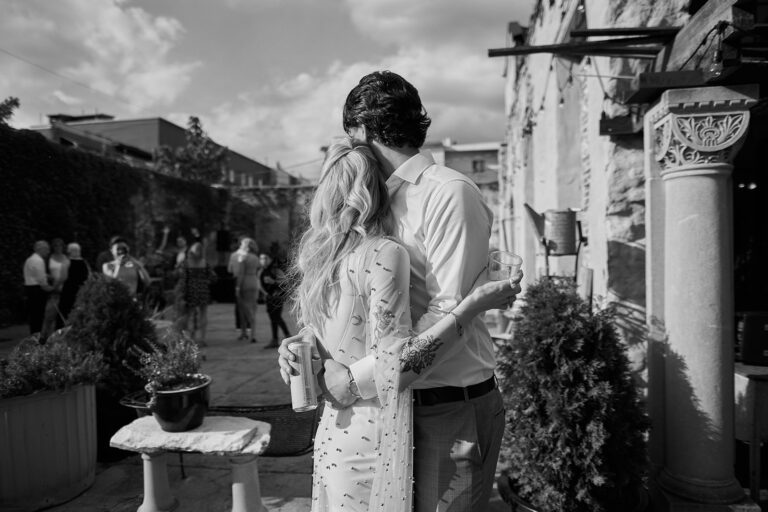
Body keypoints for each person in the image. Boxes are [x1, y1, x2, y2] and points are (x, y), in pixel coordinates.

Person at [279, 71, 519, 511]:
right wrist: (308, 344)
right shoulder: (367, 196)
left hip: (445, 408)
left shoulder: (448, 193)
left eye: (349, 133)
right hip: (383, 415)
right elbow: (351, 296)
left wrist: (354, 382)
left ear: (361, 129)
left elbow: (447, 310)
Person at [175, 241, 213, 345]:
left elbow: (183, 279)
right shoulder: (204, 262)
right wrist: (204, 281)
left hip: (191, 290)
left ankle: (192, 337)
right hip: (203, 289)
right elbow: (213, 277)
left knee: (190, 314)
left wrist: (181, 293)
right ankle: (203, 338)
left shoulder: (187, 263)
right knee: (203, 314)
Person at [258, 252, 290, 349]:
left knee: (277, 317)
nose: (263, 260)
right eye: (261, 258)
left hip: (277, 297)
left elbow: (285, 282)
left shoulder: (276, 270)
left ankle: (288, 337)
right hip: (269, 298)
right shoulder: (261, 271)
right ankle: (275, 339)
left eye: (265, 258)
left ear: (270, 259)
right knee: (273, 319)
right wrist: (265, 294)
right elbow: (259, 284)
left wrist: (273, 282)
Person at [23, 240, 52, 336]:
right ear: (41, 249)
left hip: (29, 289)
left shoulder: (29, 259)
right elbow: (41, 279)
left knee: (33, 315)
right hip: (37, 290)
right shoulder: (39, 261)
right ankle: (37, 336)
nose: (48, 252)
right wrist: (49, 288)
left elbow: (34, 273)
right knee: (38, 315)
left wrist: (46, 276)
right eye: (47, 249)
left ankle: (34, 335)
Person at [41, 238, 70, 336]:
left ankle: (61, 338)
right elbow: (42, 272)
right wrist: (50, 279)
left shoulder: (67, 258)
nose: (58, 247)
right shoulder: (48, 258)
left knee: (64, 316)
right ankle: (44, 338)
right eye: (56, 245)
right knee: (49, 316)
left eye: (60, 245)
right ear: (53, 247)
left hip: (65, 289)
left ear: (63, 246)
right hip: (53, 290)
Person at [235, 238, 261, 343]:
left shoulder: (243, 257)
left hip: (245, 282)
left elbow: (241, 273)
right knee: (252, 308)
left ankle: (245, 333)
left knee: (243, 308)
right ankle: (251, 334)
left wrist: (237, 287)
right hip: (254, 281)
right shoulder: (256, 257)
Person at [58, 242, 91, 323]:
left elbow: (63, 277)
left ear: (69, 251)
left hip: (68, 290)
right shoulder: (84, 262)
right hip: (81, 290)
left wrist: (56, 285)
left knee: (65, 310)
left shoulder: (66, 262)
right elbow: (89, 276)